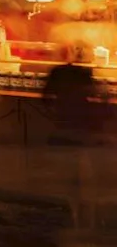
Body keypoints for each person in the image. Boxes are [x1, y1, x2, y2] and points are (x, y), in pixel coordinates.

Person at [42, 42, 102, 228]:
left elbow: (45, 97)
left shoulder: (56, 73)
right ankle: (89, 216)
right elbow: (96, 95)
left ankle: (74, 214)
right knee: (85, 172)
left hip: (63, 125)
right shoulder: (85, 73)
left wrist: (54, 113)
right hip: (83, 126)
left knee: (69, 173)